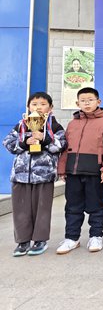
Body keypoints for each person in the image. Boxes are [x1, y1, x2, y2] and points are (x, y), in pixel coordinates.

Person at [56, 87, 103, 254]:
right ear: (77, 103)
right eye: (83, 101)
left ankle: (96, 236)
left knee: (96, 206)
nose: (87, 103)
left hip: (94, 172)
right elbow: (65, 148)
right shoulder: (72, 123)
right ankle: (72, 238)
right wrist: (62, 168)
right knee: (72, 206)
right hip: (73, 172)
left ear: (98, 101)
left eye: (90, 100)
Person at [3, 92, 67, 256]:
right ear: (28, 107)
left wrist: (44, 138)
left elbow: (61, 145)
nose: (38, 107)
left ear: (50, 108)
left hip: (44, 175)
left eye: (43, 104)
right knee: (21, 209)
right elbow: (8, 143)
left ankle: (40, 240)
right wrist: (25, 142)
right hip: (20, 175)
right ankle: (22, 242)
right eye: (34, 104)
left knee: (42, 209)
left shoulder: (55, 126)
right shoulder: (21, 125)